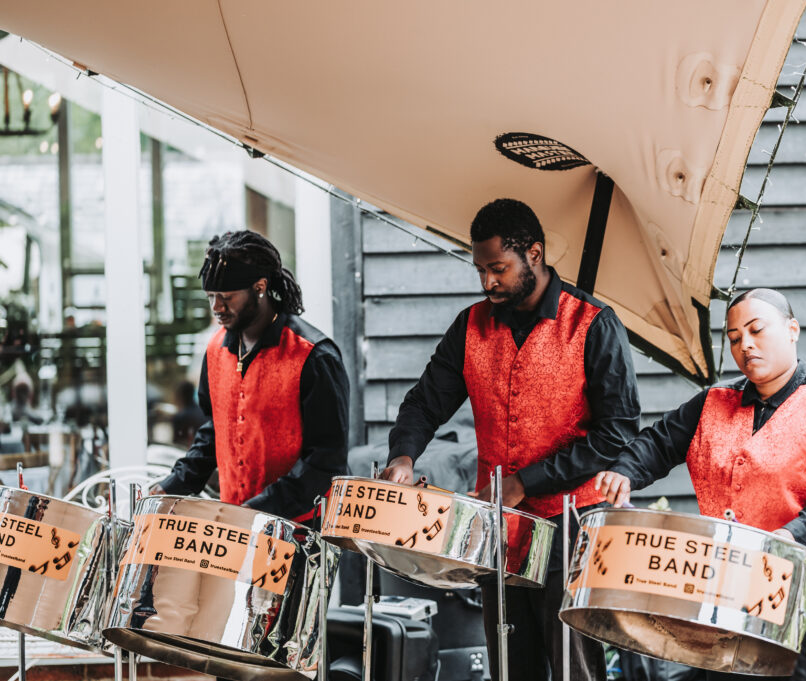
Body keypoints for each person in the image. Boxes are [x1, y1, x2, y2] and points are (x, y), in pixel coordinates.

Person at [381, 198, 641, 681]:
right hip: (499, 529)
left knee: (574, 668)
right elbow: (424, 402)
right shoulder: (471, 324)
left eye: (497, 268)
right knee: (509, 664)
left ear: (534, 254)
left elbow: (618, 433)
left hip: (574, 526)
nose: (487, 282)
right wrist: (403, 454)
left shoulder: (593, 323)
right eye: (479, 269)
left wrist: (530, 480)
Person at [596, 288, 806, 681]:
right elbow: (658, 442)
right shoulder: (713, 401)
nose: (745, 344)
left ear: (792, 329)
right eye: (733, 338)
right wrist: (624, 470)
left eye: (756, 330)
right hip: (733, 604)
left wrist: (789, 537)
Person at [154, 230, 350, 524]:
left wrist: (260, 509)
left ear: (260, 287)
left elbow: (325, 460)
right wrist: (174, 484)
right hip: (234, 530)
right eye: (211, 297)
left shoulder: (314, 356)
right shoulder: (215, 349)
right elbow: (215, 430)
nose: (216, 308)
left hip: (298, 530)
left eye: (227, 297)